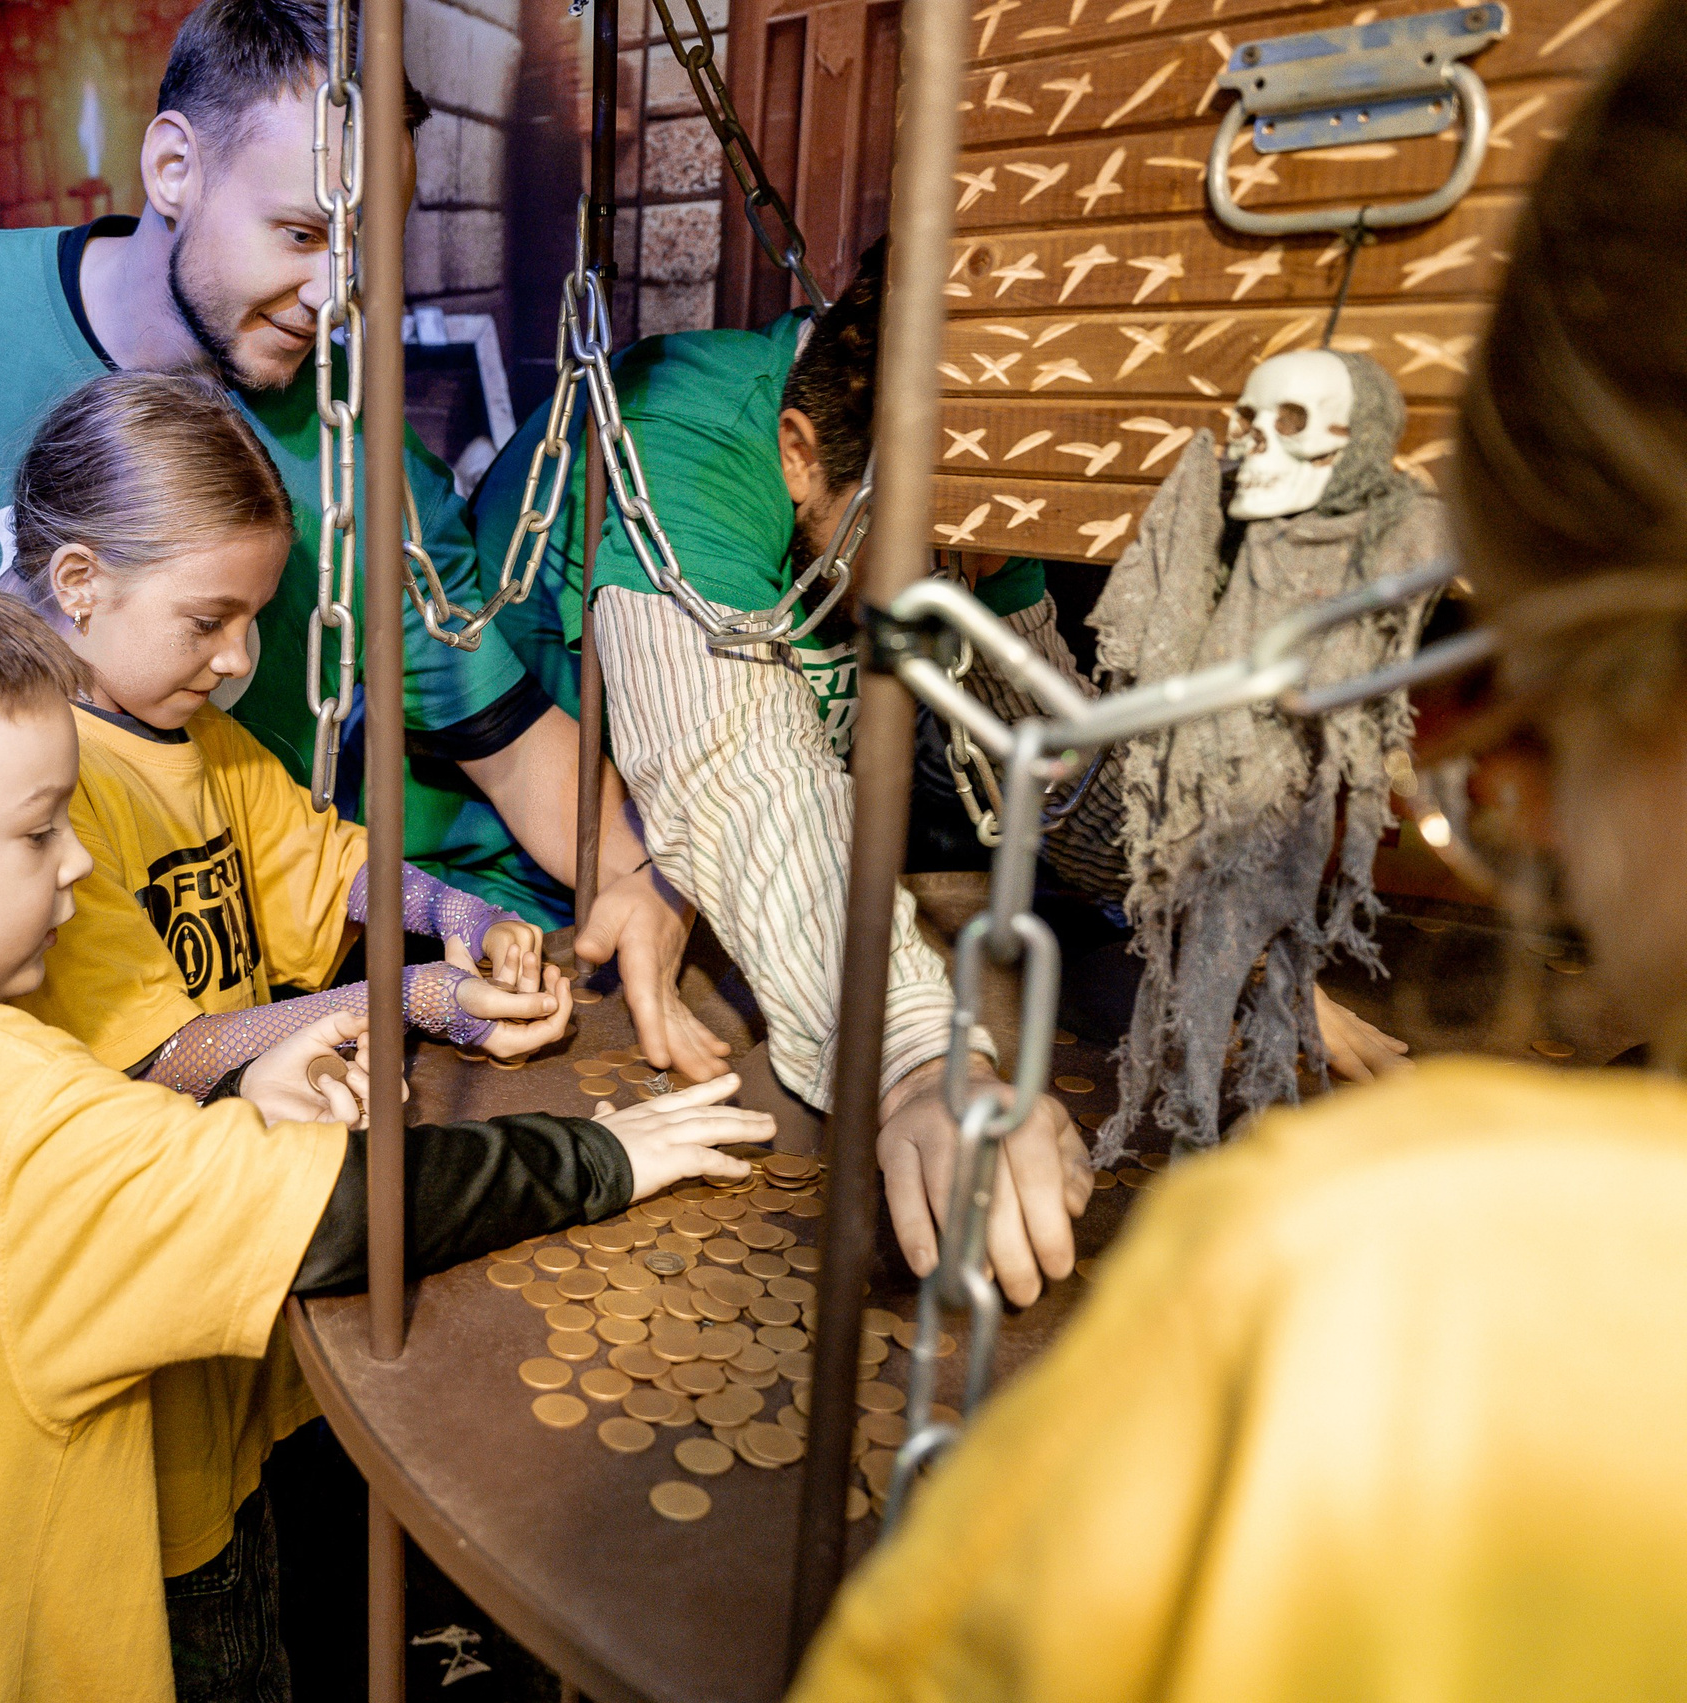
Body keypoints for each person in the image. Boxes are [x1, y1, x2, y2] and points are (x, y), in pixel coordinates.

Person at [790, 6, 1687, 1692]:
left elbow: (1083, 775)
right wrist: (924, 1047)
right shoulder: (778, 489)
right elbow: (771, 789)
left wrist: (1246, 951)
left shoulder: (1343, 1270)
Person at [0, 555, 775, 1702]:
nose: (80, 859)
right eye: (39, 831)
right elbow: (336, 1213)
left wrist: (240, 1102)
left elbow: (40, 1213)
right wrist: (607, 1155)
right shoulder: (2, 1121)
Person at [0, 0, 729, 1086]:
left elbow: (503, 730)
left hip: (206, 977)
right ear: (171, 168)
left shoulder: (356, 457)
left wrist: (633, 875)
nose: (332, 295)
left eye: (362, 252)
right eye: (300, 233)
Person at [474, 247, 1409, 1302]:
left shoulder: (962, 490)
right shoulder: (685, 438)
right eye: (926, 548)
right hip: (512, 885)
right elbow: (741, 777)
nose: (950, 581)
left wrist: (1212, 915)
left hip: (680, 885)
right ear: (798, 452)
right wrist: (923, 1058)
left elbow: (1050, 747)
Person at [4, 369, 577, 1091]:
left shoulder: (203, 737)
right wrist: (418, 998)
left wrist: (468, 918)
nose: (239, 658)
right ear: (80, 581)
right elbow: (166, 1056)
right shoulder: (37, 792)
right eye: (209, 621)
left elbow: (337, 872)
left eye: (254, 620)